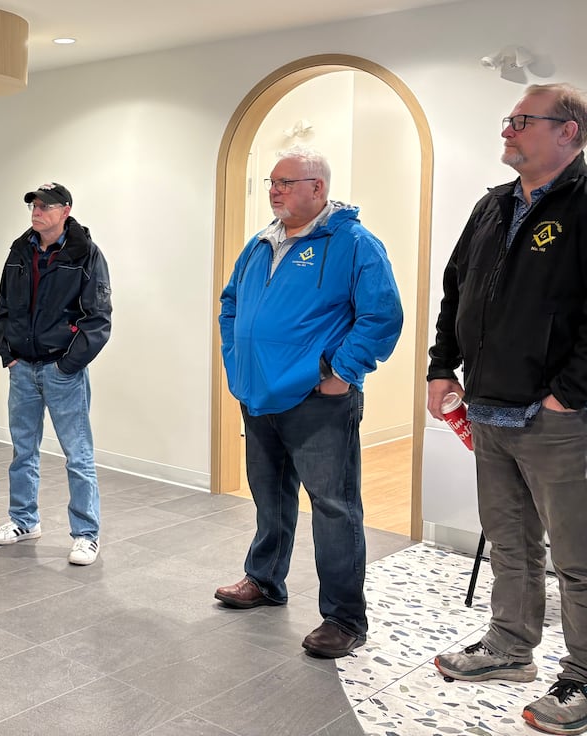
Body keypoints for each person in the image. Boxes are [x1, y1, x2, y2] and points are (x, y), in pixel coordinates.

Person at [429, 82, 587, 735]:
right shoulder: (492, 206)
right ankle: (509, 648)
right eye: (508, 120)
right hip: (490, 406)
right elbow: (456, 288)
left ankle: (583, 676)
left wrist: (567, 394)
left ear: (568, 131)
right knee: (511, 541)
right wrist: (443, 366)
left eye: (522, 121)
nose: (507, 130)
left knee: (578, 556)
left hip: (560, 419)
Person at [216, 147, 402, 658]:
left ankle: (344, 618)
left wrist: (342, 372)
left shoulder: (355, 243)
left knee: (333, 507)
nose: (274, 191)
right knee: (270, 498)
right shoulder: (261, 243)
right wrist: (237, 361)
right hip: (259, 395)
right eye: (272, 183)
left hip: (318, 400)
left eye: (286, 182)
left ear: (318, 188)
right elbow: (231, 304)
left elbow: (382, 316)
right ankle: (264, 580)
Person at [0, 182, 112, 566]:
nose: (37, 211)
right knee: (23, 451)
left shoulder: (86, 254)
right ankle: (23, 521)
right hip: (22, 369)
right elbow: (4, 307)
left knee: (78, 455)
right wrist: (8, 354)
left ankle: (86, 535)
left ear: (65, 211)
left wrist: (67, 365)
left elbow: (98, 318)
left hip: (63, 372)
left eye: (45, 206)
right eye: (34, 205)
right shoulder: (19, 251)